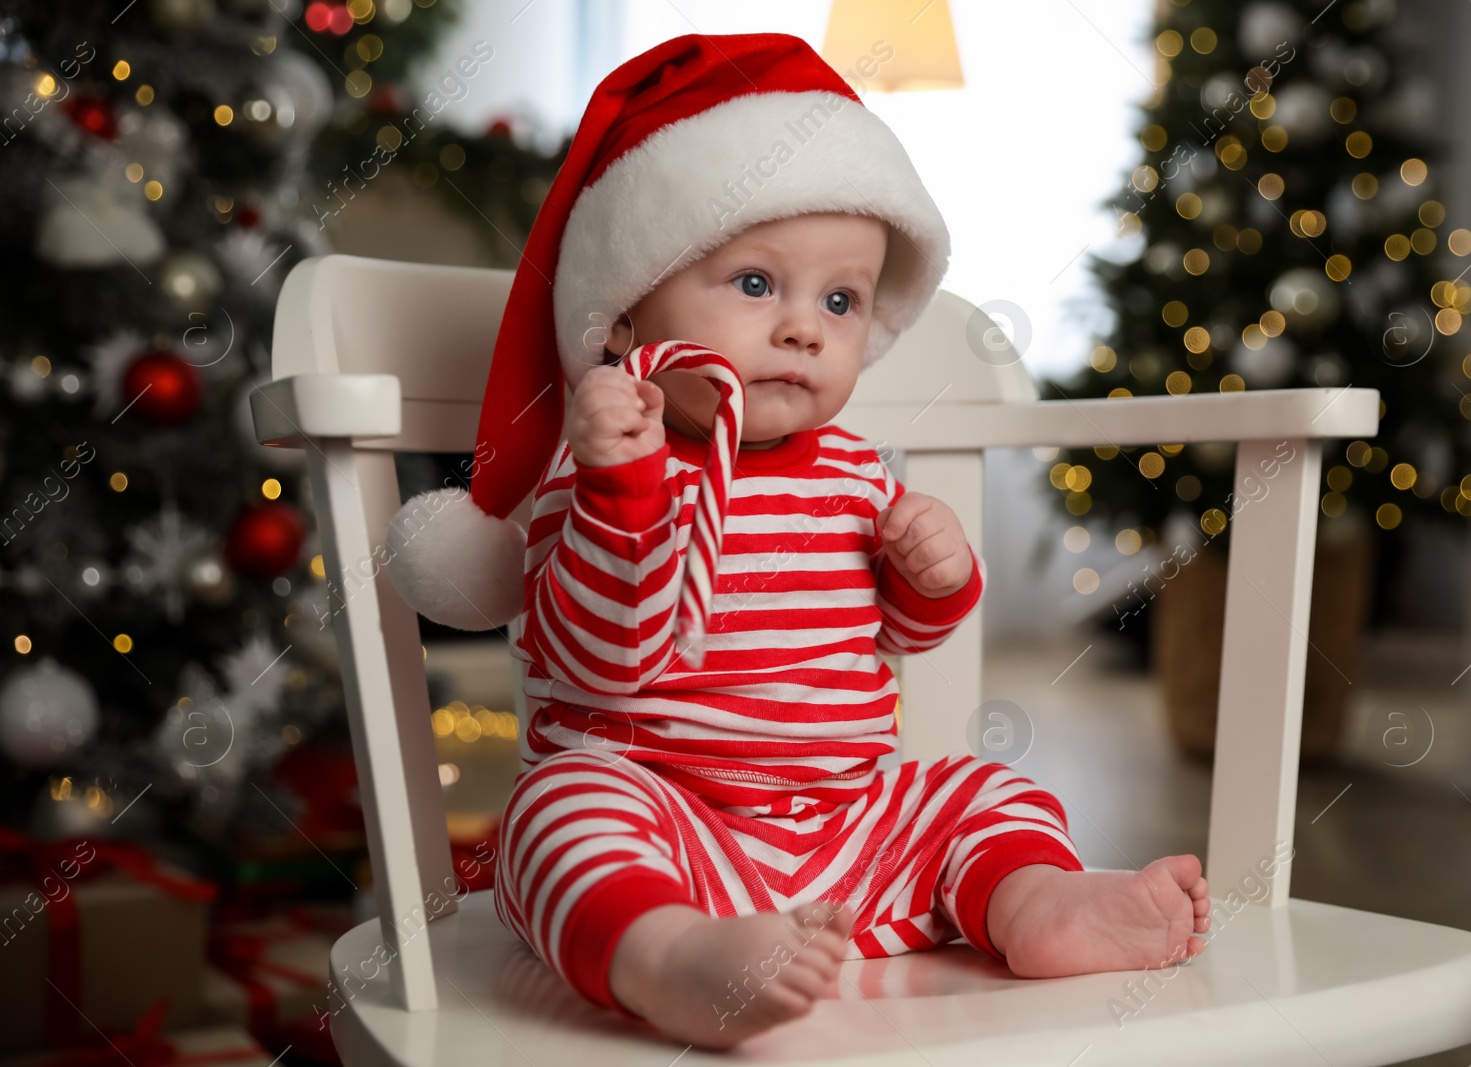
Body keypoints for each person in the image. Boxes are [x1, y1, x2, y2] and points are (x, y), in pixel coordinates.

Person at [386, 32, 1210, 1051]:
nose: (803, 330)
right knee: (555, 815)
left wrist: (933, 572)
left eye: (839, 299)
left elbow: (897, 631)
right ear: (624, 310)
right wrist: (622, 493)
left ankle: (1035, 901)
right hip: (664, 814)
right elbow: (601, 655)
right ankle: (669, 955)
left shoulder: (855, 470)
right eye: (752, 283)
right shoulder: (599, 468)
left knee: (973, 786)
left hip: (845, 815)